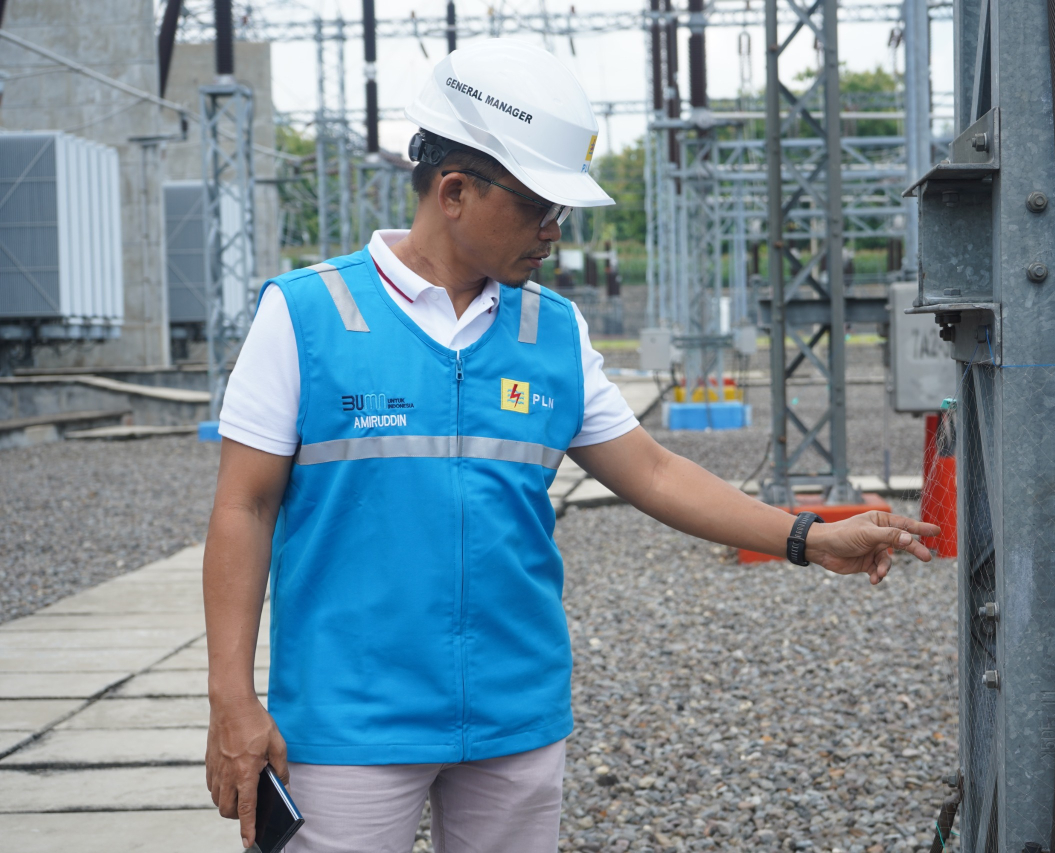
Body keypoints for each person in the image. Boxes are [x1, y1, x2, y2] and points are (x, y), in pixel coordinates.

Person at [202, 39, 940, 853]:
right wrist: (232, 700)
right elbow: (245, 504)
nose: (555, 231)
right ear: (454, 190)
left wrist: (806, 536)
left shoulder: (550, 330)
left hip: (514, 716)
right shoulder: (305, 316)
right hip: (348, 724)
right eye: (538, 207)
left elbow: (653, 470)